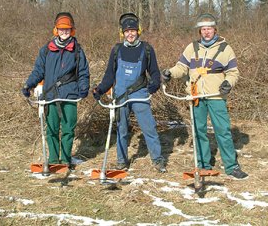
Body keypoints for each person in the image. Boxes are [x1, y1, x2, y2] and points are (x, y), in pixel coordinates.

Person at [162, 13, 248, 180]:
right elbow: (181, 67)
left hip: (216, 96)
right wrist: (169, 73)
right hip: (196, 97)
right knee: (199, 131)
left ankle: (231, 166)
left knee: (222, 130)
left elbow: (233, 72)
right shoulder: (192, 48)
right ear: (199, 31)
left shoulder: (225, 49)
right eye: (203, 29)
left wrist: (228, 83)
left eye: (209, 29)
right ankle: (203, 165)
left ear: (215, 29)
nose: (206, 32)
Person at [92, 12, 166, 173]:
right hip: (120, 95)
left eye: (133, 30)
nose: (130, 34)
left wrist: (154, 85)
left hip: (140, 94)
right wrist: (100, 89)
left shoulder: (146, 49)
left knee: (149, 128)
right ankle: (121, 161)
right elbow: (109, 75)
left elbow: (154, 72)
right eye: (127, 31)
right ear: (122, 33)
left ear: (138, 31)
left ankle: (158, 160)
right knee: (122, 129)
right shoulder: (117, 50)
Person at [22, 12, 90, 169]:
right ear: (56, 30)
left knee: (68, 129)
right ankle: (53, 159)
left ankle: (65, 160)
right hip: (50, 95)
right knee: (51, 129)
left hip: (70, 96)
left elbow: (83, 73)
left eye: (67, 29)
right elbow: (38, 70)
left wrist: (84, 88)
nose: (64, 32)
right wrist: (28, 85)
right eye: (61, 29)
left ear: (72, 30)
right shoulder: (47, 49)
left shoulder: (77, 51)